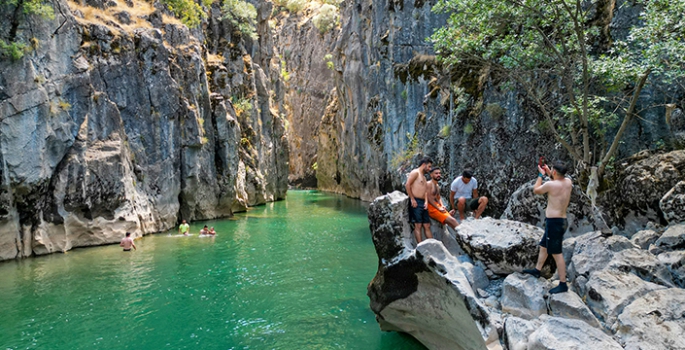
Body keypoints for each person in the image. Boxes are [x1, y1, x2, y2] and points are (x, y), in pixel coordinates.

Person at [523, 161, 573, 294]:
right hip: (560, 221)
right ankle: (537, 270)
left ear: (555, 172)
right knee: (544, 246)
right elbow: (557, 179)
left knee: (557, 253)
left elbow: (536, 190)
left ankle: (563, 283)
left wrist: (541, 174)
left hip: (554, 223)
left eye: (552, 170)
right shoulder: (568, 182)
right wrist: (549, 172)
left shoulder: (550, 185)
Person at [405, 157, 433, 243]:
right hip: (416, 201)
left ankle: (432, 244)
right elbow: (407, 185)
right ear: (424, 164)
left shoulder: (424, 177)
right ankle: (420, 247)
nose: (430, 169)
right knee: (418, 225)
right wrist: (412, 199)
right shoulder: (415, 173)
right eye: (429, 166)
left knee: (427, 225)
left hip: (423, 203)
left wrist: (426, 201)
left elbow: (425, 191)